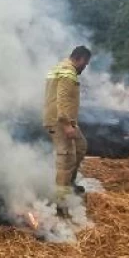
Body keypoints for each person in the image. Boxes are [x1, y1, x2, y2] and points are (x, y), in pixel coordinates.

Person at [43, 46, 91, 211]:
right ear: (80, 59)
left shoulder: (60, 67)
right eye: (85, 64)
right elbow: (62, 99)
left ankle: (69, 184)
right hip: (59, 121)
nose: (84, 68)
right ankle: (60, 202)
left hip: (65, 120)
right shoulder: (68, 72)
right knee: (66, 158)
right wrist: (65, 124)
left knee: (80, 146)